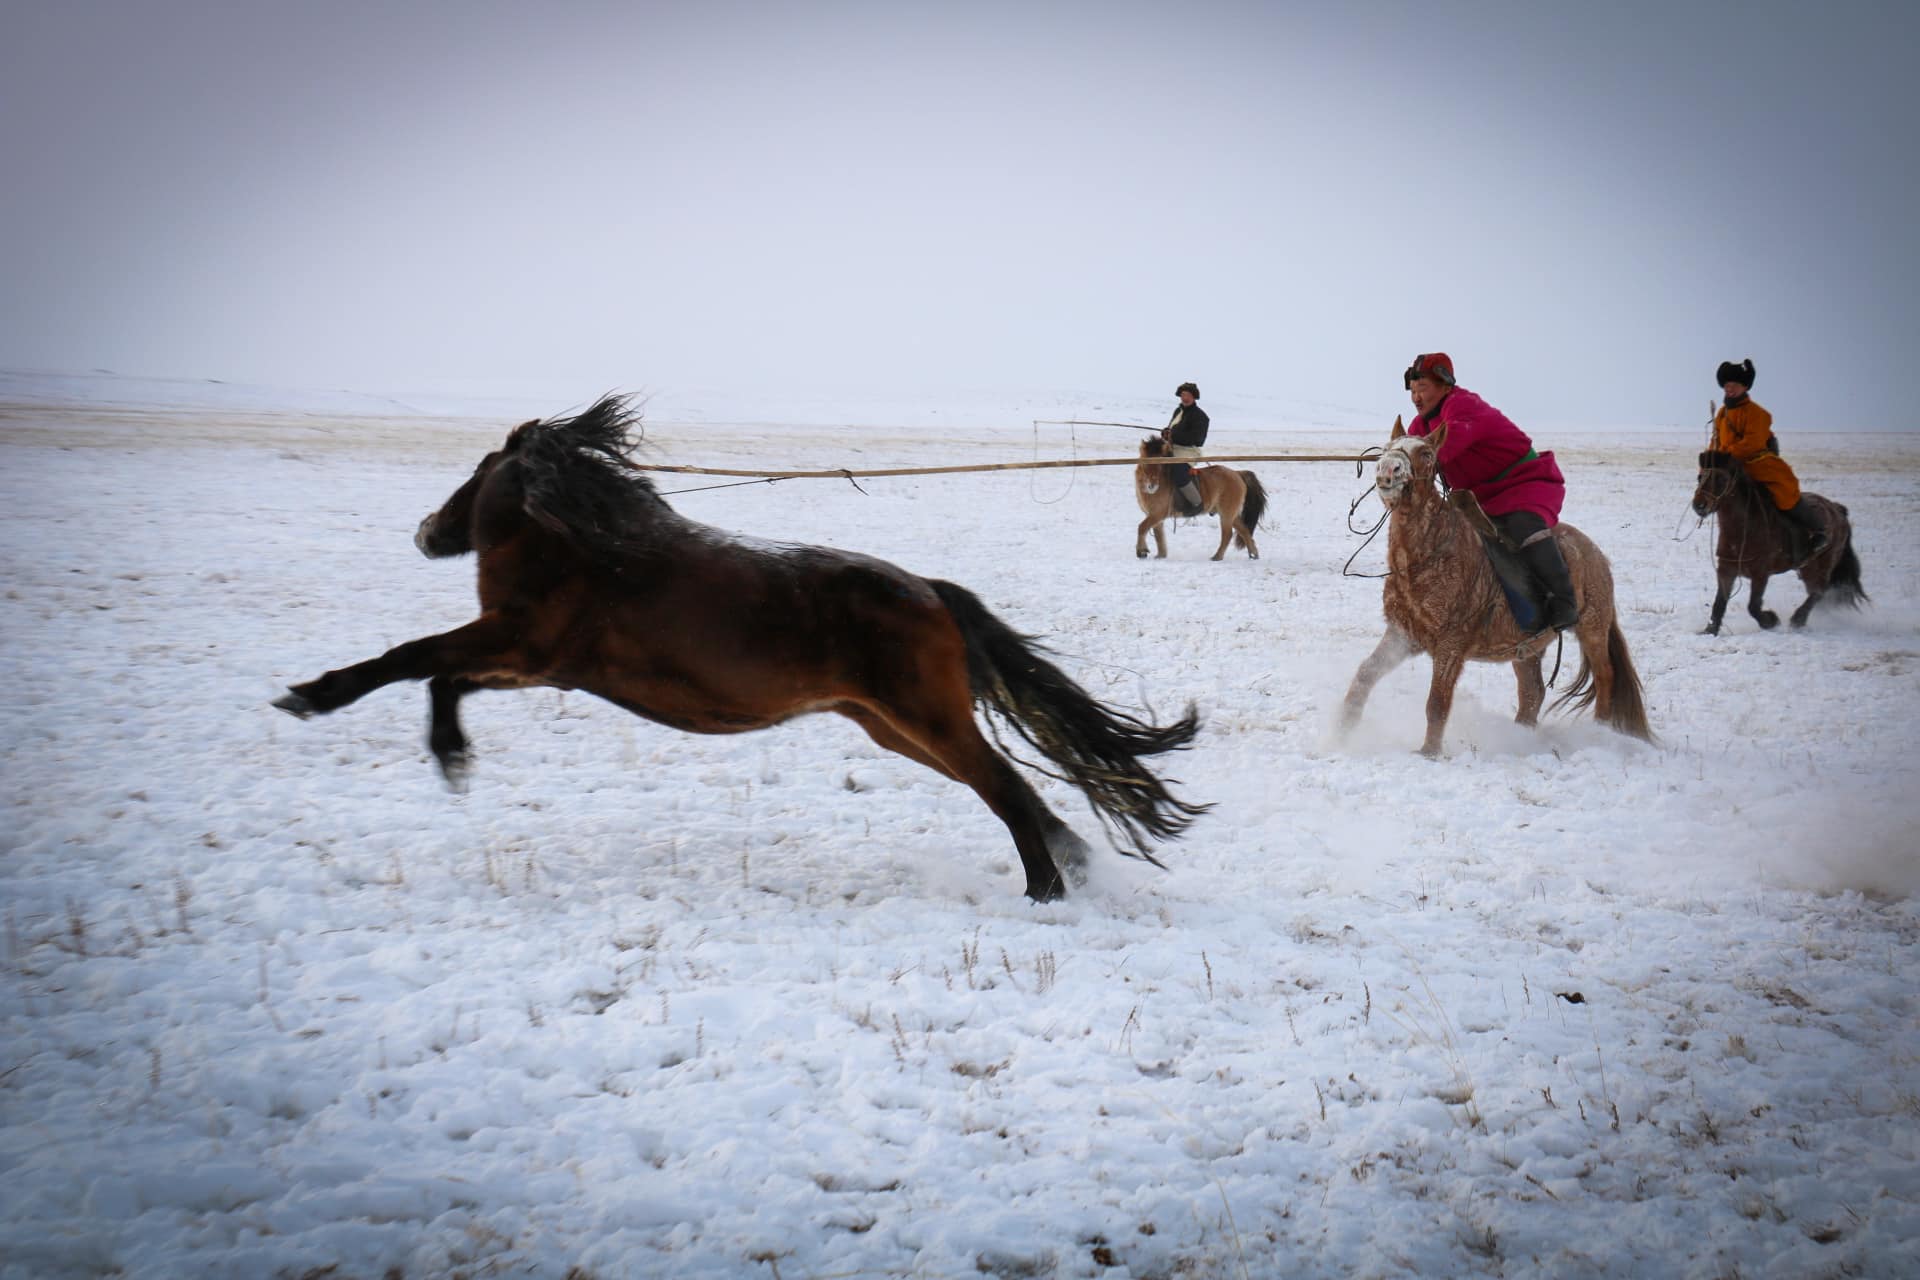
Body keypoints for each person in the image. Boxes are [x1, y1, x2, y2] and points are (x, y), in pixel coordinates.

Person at [1403, 352, 1579, 632]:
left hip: (1522, 482)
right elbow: (1409, 453)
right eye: (1412, 391)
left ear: (1445, 386)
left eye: (1422, 388)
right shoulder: (1420, 425)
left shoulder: (1463, 405)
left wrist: (1412, 458)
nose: (1416, 397)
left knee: (1524, 525)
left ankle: (1564, 601)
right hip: (1477, 498)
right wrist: (1394, 462)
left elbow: (1444, 448)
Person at [1712, 358, 1828, 560]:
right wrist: (1709, 465)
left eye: (1735, 385)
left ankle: (1818, 530)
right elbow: (1715, 442)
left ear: (1745, 387)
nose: (1729, 389)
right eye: (1727, 385)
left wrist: (1726, 456)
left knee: (1784, 496)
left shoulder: (1758, 413)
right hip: (1730, 468)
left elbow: (1752, 443)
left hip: (1758, 465)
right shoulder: (1721, 414)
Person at [1161, 381, 1209, 512]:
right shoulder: (1178, 411)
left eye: (1188, 395)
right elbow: (1172, 429)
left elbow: (1198, 439)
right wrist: (1166, 433)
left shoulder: (1200, 416)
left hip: (1188, 452)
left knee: (1178, 472)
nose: (1185, 398)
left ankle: (1197, 503)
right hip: (1172, 449)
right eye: (1183, 395)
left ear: (1194, 397)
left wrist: (1174, 436)